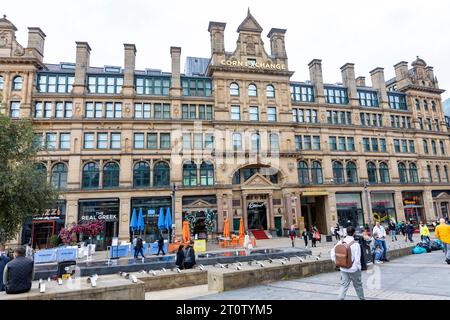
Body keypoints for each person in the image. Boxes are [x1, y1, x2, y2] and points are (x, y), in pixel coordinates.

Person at [330, 226, 365, 300]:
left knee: (344, 286)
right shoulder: (356, 244)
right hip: (353, 269)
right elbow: (357, 259)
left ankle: (340, 298)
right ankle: (362, 299)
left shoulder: (340, 242)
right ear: (354, 233)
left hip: (343, 268)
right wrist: (358, 268)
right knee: (358, 286)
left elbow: (332, 253)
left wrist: (337, 262)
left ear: (346, 233)